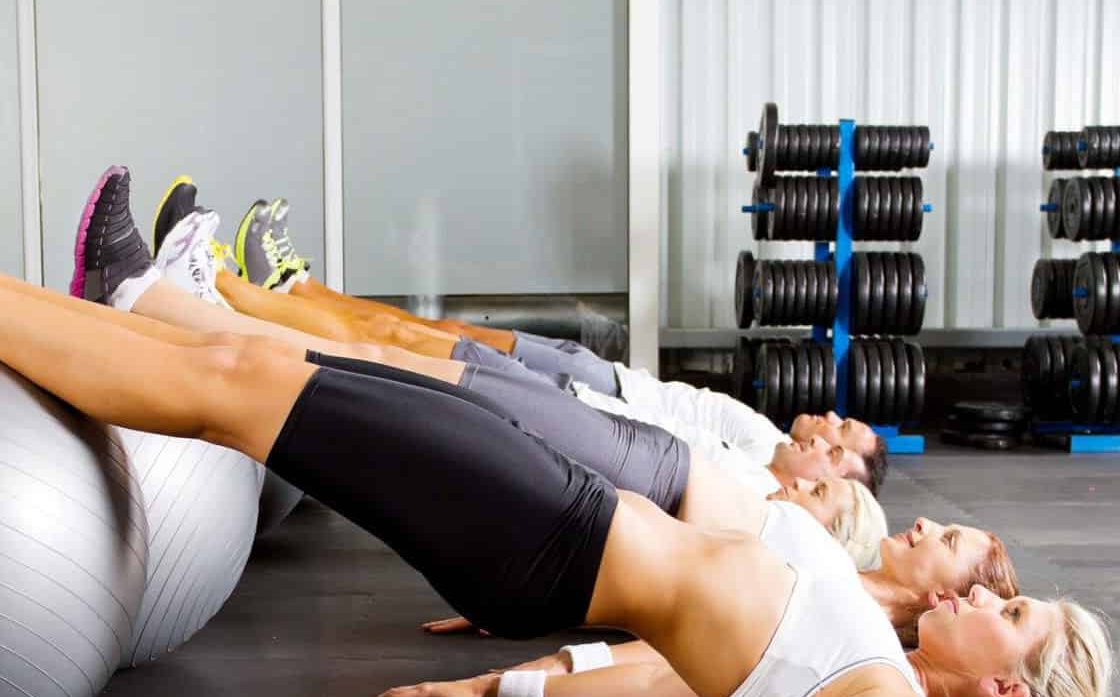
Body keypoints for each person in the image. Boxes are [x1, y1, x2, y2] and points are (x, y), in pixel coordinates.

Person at [1, 166, 1120, 697]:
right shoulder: (879, 666)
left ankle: (123, 301)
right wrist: (499, 688)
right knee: (265, 372)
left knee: (242, 385)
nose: (994, 594)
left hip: (552, 536)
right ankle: (130, 299)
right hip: (566, 520)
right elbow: (673, 686)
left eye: (1014, 611)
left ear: (1004, 680)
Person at [176, 185, 887, 491]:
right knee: (408, 334)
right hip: (591, 385)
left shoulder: (752, 480)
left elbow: (650, 451)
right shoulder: (764, 439)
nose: (826, 431)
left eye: (837, 447)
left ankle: (224, 293)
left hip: (579, 402)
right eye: (840, 427)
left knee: (390, 349)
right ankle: (279, 290)